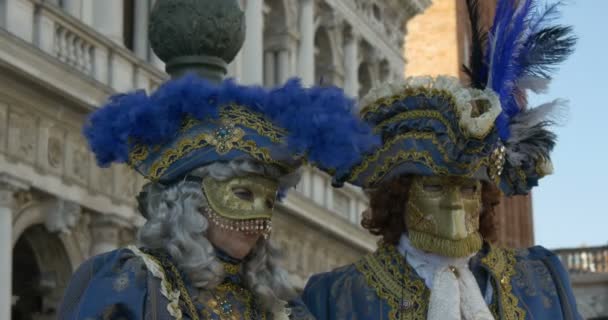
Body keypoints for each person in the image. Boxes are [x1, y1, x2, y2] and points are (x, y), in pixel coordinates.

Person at [301, 0, 581, 319]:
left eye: (467, 189)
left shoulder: (542, 280)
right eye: (434, 187)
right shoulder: (338, 297)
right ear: (400, 197)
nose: (454, 205)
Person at [56, 72, 377, 319]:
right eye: (242, 193)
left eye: (268, 201)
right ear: (192, 199)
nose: (259, 215)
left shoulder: (279, 305)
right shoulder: (133, 280)